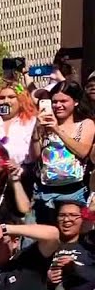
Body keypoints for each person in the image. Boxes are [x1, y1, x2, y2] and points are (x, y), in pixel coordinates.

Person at [31, 81, 94, 224]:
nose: (58, 105)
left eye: (63, 101)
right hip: (45, 190)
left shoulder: (85, 124)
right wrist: (36, 130)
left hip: (73, 191)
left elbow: (82, 151)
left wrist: (57, 130)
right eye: (54, 102)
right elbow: (35, 156)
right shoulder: (44, 125)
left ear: (76, 102)